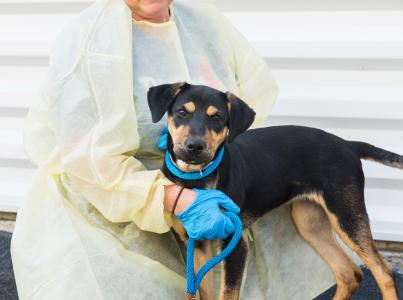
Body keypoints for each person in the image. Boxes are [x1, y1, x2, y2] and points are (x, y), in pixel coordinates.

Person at [11, 0, 340, 298]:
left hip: (197, 180)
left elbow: (250, 95)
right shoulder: (92, 41)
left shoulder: (203, 23)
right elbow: (83, 157)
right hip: (108, 202)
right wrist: (173, 196)